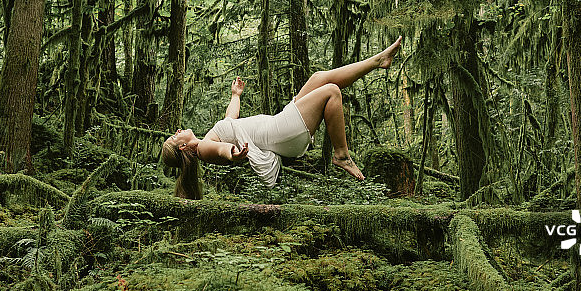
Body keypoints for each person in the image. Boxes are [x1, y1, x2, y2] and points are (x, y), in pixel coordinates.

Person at [162, 37, 402, 199]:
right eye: (175, 136)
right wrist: (234, 154)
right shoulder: (203, 148)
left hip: (279, 125)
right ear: (183, 146)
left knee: (319, 78)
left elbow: (230, 121)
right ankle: (342, 155)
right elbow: (222, 149)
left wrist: (236, 96)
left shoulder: (207, 139)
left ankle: (377, 61)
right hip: (281, 133)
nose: (178, 129)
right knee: (331, 92)